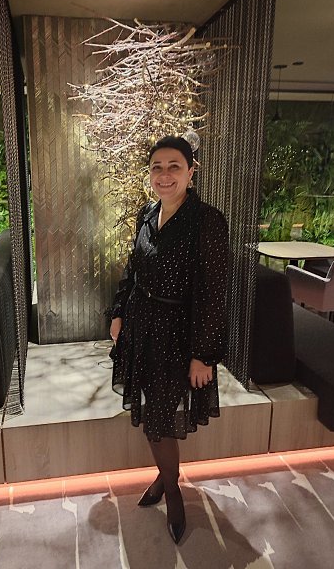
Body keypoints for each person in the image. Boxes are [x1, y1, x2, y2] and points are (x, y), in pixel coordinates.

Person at [109, 135, 229, 545]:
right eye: (157, 167)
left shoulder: (207, 221)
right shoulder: (147, 213)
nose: (164, 175)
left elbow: (213, 293)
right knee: (152, 410)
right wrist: (118, 312)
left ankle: (172, 492)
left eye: (174, 166)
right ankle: (165, 477)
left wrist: (203, 355)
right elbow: (133, 268)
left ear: (191, 171)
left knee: (159, 420)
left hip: (178, 336)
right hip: (141, 329)